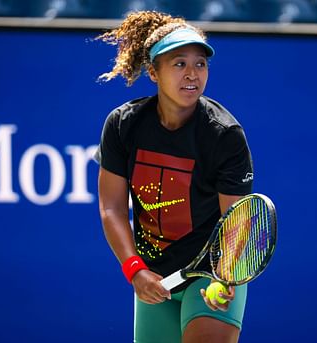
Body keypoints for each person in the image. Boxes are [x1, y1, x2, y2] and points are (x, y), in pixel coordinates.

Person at [94, 10, 254, 343]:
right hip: (155, 278)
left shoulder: (224, 134)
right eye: (179, 63)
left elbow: (236, 221)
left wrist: (227, 279)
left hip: (212, 275)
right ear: (153, 72)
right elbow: (111, 208)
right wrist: (135, 270)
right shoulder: (124, 125)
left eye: (200, 64)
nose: (192, 74)